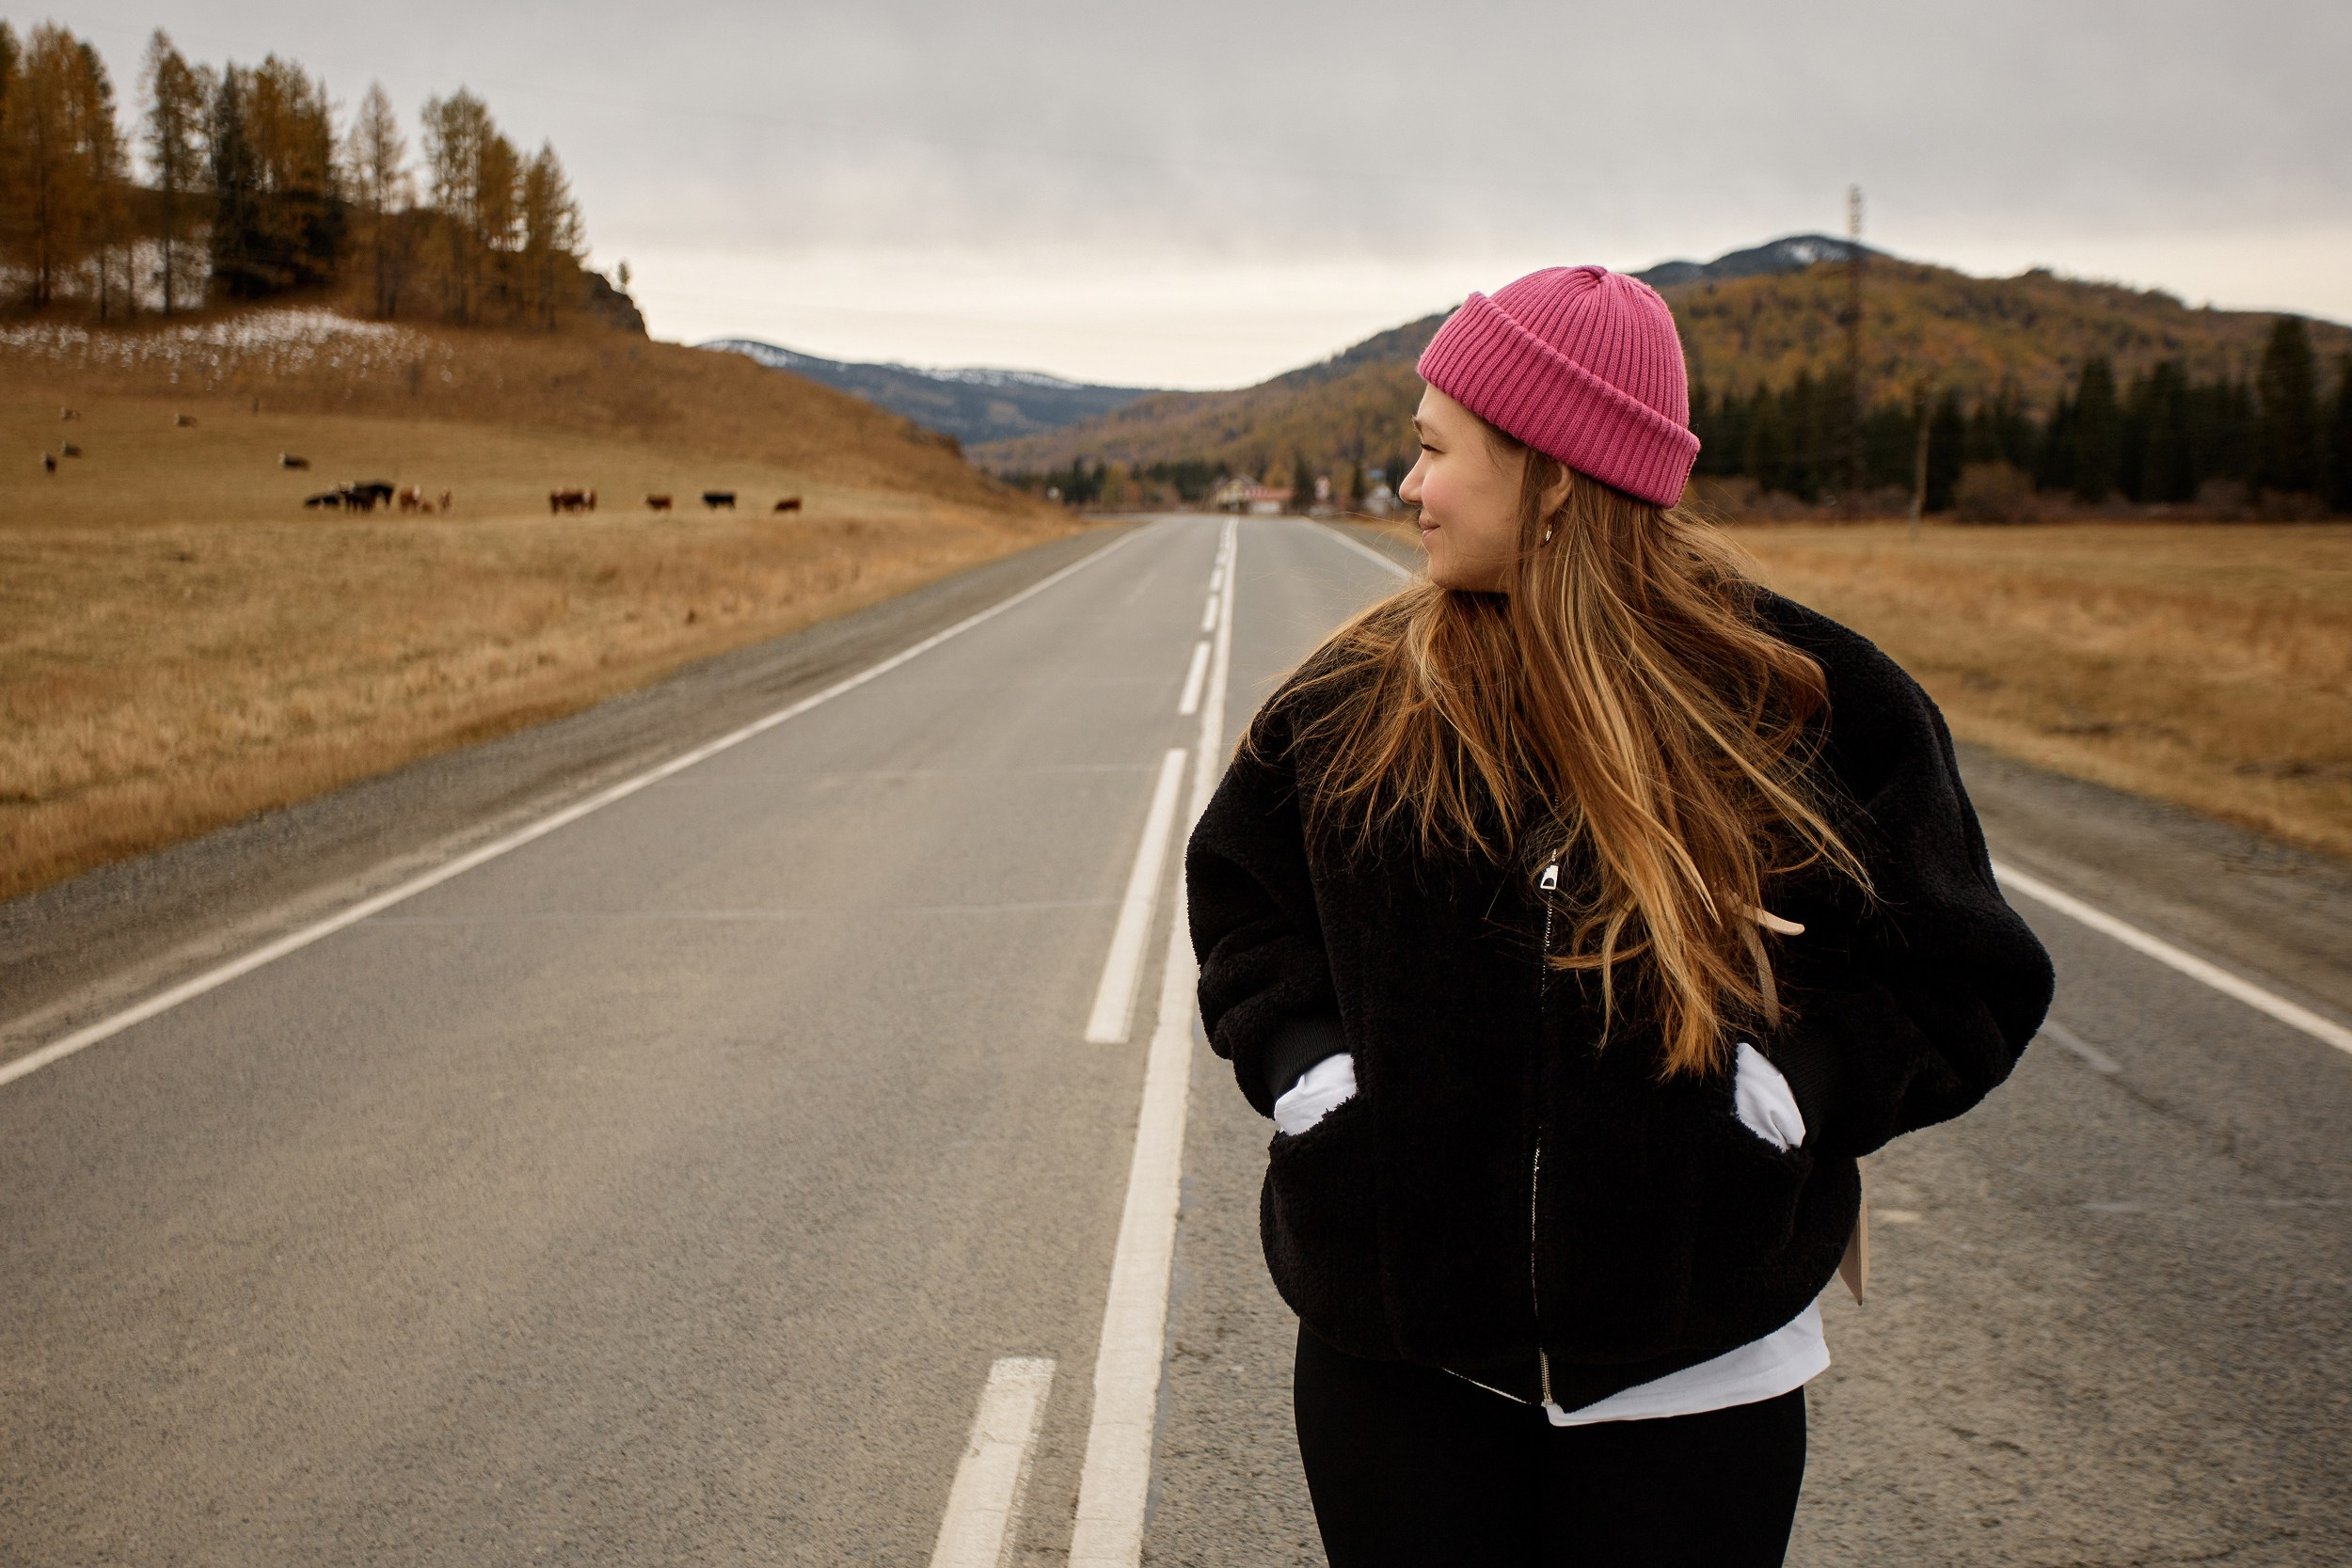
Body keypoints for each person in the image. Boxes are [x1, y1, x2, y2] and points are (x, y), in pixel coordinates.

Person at [1185, 265, 2056, 1567]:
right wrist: (1315, 1081)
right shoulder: (1353, 699)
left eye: (1434, 452)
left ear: (1548, 468)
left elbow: (1963, 974)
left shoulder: (1805, 704)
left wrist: (1796, 1094)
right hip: (1401, 1364)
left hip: (1698, 1381)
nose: (1410, 487)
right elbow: (1250, 913)